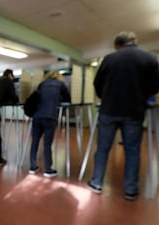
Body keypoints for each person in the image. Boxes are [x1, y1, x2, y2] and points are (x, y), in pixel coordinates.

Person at [87, 31, 159, 200]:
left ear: (118, 45)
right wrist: (142, 95)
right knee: (132, 150)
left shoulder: (109, 59)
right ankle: (131, 190)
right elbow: (156, 85)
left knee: (103, 148)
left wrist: (105, 96)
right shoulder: (149, 58)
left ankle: (97, 182)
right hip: (134, 111)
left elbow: (97, 83)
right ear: (134, 42)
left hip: (109, 110)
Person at [28, 71, 70, 178]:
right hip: (50, 116)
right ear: (58, 77)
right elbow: (67, 98)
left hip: (37, 116)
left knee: (35, 142)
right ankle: (48, 169)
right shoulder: (60, 85)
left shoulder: (42, 84)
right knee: (47, 144)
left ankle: (33, 167)